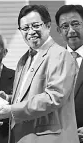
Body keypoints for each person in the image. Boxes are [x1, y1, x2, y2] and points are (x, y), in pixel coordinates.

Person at [0, 5, 79, 143]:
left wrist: (12, 110)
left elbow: (54, 97)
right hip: (23, 136)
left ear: (48, 25)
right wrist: (9, 99)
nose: (31, 31)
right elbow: (31, 94)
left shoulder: (60, 55)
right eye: (25, 28)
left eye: (35, 25)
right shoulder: (24, 59)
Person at [55, 5, 83, 142]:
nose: (71, 30)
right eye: (65, 26)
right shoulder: (52, 60)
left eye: (75, 24)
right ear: (59, 31)